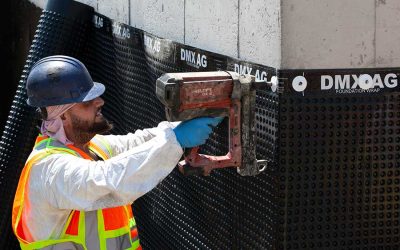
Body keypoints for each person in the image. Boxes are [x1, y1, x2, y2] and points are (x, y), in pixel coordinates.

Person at [12, 55, 222, 250]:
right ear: (63, 116)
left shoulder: (91, 148)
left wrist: (177, 128)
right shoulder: (49, 170)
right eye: (87, 102)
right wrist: (177, 140)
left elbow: (136, 145)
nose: (100, 102)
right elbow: (106, 179)